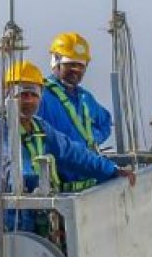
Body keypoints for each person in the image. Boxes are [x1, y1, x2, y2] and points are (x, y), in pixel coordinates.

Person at [0, 60, 134, 201]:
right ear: (7, 96)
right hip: (9, 217)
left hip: (37, 208)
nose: (29, 100)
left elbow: (73, 153)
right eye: (22, 95)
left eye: (34, 95)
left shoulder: (39, 127)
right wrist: (39, 185)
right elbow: (12, 168)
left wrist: (112, 170)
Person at [36, 32, 115, 191]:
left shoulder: (85, 98)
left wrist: (88, 141)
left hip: (88, 182)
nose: (76, 70)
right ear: (55, 62)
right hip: (59, 187)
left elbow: (105, 122)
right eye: (70, 64)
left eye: (80, 65)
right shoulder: (41, 97)